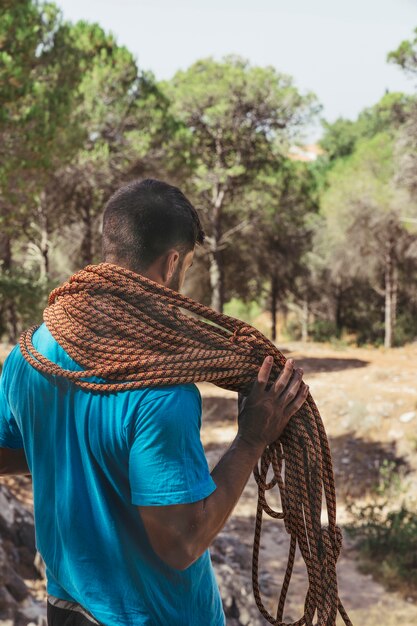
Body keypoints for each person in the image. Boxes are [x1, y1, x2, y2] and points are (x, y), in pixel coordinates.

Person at [0, 178, 308, 626]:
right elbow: (181, 542)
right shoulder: (160, 391)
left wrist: (69, 447)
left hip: (65, 608)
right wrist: (252, 440)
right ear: (172, 263)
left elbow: (7, 453)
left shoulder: (31, 353)